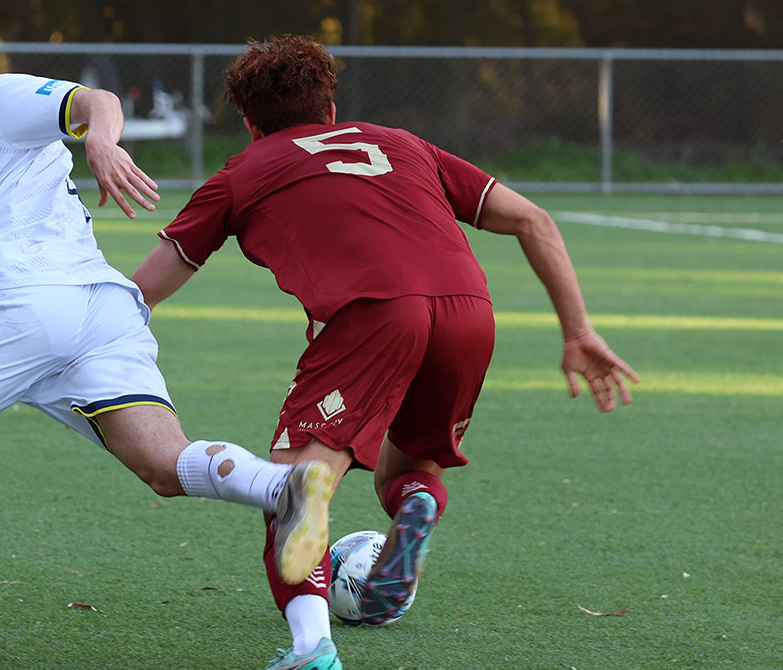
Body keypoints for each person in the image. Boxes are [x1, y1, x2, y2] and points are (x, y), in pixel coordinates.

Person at [130, 35, 641, 670]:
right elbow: (533, 220)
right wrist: (577, 332)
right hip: (468, 310)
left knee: (294, 491)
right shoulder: (400, 143)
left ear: (250, 121)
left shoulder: (241, 172)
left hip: (372, 315)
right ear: (331, 109)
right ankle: (416, 506)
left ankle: (310, 651)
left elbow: (145, 288)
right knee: (406, 469)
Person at [0, 29, 335, 618]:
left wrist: (104, 145)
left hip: (35, 304)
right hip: (96, 309)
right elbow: (43, 263)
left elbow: (98, 103)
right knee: (166, 465)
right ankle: (283, 488)